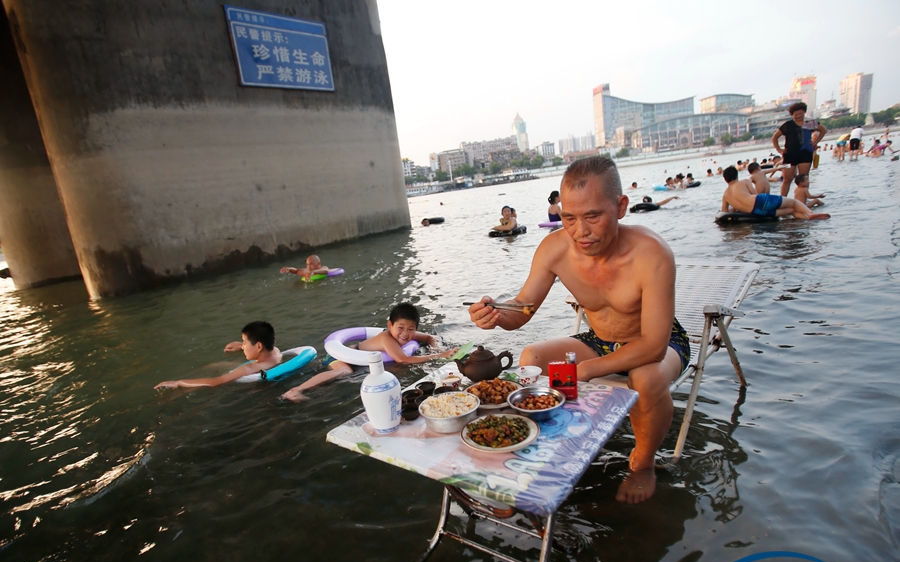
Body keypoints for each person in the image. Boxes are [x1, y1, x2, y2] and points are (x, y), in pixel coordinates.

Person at [468, 156, 691, 504]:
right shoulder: (555, 249)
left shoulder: (652, 254)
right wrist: (496, 314)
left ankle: (643, 464)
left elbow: (655, 346)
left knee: (646, 379)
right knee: (533, 356)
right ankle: (542, 452)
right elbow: (523, 309)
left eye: (593, 216)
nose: (580, 231)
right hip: (601, 340)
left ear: (620, 207)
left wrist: (583, 371)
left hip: (655, 345)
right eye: (569, 218)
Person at [282, 303, 457, 402]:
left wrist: (436, 347)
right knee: (345, 372)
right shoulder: (387, 337)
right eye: (400, 328)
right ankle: (296, 389)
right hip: (342, 357)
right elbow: (403, 359)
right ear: (390, 325)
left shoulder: (407, 333)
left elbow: (427, 337)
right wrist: (440, 356)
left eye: (411, 329)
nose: (405, 333)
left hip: (362, 360)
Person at [154, 321, 282, 389]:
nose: (243, 346)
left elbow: (214, 382)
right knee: (218, 365)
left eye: (244, 342)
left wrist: (178, 382)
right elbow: (261, 349)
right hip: (263, 365)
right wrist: (239, 345)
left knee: (214, 366)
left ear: (258, 346)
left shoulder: (248, 368)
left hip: (252, 386)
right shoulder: (276, 352)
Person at [720, 165, 829, 220]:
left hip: (756, 212)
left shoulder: (725, 195)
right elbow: (755, 195)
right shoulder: (744, 182)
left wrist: (738, 207)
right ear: (736, 176)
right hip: (759, 201)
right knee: (794, 203)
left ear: (725, 179)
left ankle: (806, 218)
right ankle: (810, 213)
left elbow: (725, 212)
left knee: (790, 210)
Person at [772, 102, 827, 197]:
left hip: (805, 153)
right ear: (792, 115)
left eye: (801, 114)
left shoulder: (810, 122)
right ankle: (782, 200)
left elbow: (823, 130)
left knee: (803, 178)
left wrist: (815, 142)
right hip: (789, 154)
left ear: (804, 112)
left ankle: (802, 200)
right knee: (787, 179)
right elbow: (775, 137)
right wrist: (779, 150)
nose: (798, 116)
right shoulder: (788, 125)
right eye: (796, 114)